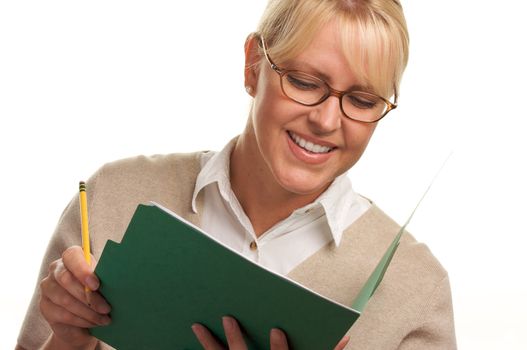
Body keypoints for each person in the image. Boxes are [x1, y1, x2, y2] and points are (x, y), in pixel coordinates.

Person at [16, 0, 456, 349]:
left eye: (361, 101)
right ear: (253, 66)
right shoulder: (113, 197)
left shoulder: (415, 288)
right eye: (304, 82)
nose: (325, 121)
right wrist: (67, 343)